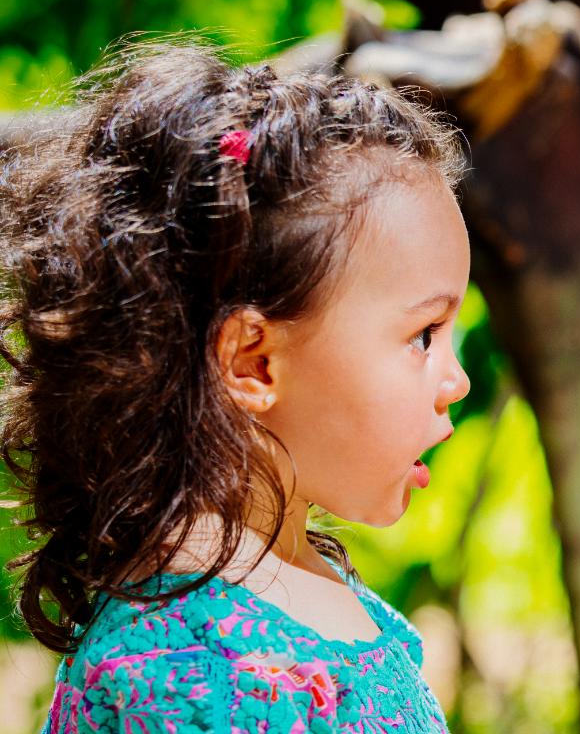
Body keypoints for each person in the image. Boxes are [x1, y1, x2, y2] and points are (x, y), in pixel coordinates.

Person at [0, 42, 471, 731]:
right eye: (424, 335)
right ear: (252, 363)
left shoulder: (296, 583)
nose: (455, 380)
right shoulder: (186, 672)